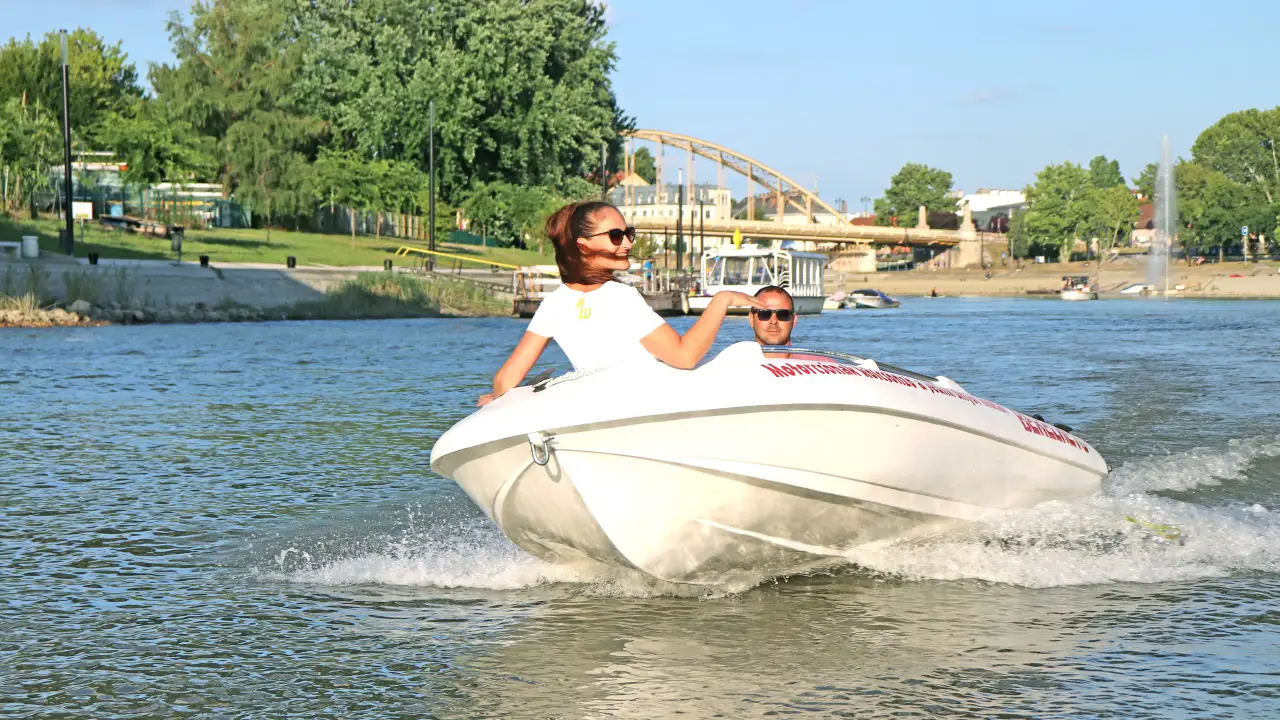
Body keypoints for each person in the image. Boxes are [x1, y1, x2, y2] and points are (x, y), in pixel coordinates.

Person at [478, 201, 765, 406]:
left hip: (602, 407)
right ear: (583, 245)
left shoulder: (553, 303)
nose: (627, 243)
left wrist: (500, 399)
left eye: (629, 233)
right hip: (652, 404)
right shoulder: (620, 297)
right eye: (616, 236)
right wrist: (721, 301)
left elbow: (505, 381)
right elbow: (684, 357)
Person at [749, 286, 827, 361]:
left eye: (783, 314)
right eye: (764, 314)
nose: (774, 321)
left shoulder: (822, 365)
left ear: (794, 320)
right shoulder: (741, 365)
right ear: (751, 319)